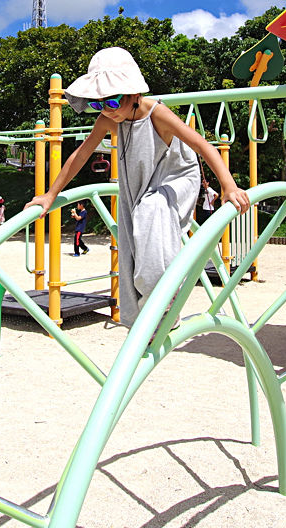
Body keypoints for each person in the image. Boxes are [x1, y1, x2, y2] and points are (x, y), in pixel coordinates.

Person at [27, 47, 248, 325]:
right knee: (131, 242)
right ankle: (142, 318)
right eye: (99, 104)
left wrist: (228, 186)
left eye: (113, 101)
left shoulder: (156, 113)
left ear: (134, 93)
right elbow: (81, 155)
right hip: (140, 186)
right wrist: (50, 195)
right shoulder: (109, 117)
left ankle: (164, 301)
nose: (108, 110)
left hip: (176, 178)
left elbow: (201, 144)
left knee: (151, 211)